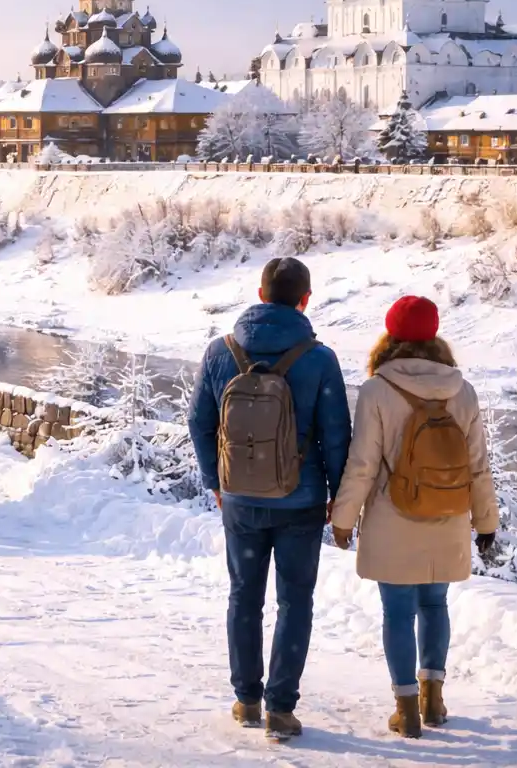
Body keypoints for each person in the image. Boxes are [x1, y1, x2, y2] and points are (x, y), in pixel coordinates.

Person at [187, 256, 352, 743]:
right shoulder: (319, 359)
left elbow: (199, 422)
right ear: (305, 300)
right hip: (300, 502)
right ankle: (281, 708)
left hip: (240, 498)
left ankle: (246, 699)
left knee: (244, 596)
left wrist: (216, 481)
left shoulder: (221, 351)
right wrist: (339, 497)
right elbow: (337, 435)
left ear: (260, 296)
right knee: (295, 600)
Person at [329, 296, 497, 739]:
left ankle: (405, 710)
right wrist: (486, 522)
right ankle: (434, 699)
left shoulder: (377, 390)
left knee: (398, 614)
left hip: (393, 517)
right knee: (435, 604)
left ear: (390, 337)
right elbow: (478, 464)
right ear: (436, 337)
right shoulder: (462, 390)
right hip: (447, 514)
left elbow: (363, 462)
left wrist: (343, 518)